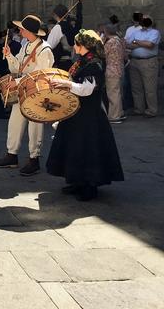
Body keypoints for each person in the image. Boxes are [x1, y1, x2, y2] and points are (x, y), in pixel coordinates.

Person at [46, 30, 124, 201]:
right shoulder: (82, 61)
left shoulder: (94, 64)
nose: (74, 47)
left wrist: (65, 84)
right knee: (75, 148)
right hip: (76, 113)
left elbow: (87, 90)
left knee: (88, 150)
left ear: (85, 46)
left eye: (76, 44)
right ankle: (77, 181)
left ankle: (90, 186)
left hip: (90, 116)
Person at [0, 15, 54, 176]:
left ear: (28, 31)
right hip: (22, 91)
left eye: (22, 28)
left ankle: (34, 160)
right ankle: (11, 155)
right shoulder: (26, 45)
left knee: (35, 127)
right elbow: (17, 67)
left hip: (36, 93)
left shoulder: (44, 49)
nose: (19, 30)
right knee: (14, 123)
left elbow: (40, 75)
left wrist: (17, 82)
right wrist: (9, 55)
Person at [126, 15, 160, 117]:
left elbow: (150, 45)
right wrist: (142, 43)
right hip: (134, 62)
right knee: (136, 88)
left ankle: (151, 110)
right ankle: (139, 109)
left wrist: (136, 42)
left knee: (150, 88)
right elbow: (128, 44)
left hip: (148, 62)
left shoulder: (155, 32)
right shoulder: (136, 32)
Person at [47, 0, 83, 71]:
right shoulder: (71, 26)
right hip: (70, 61)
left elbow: (49, 46)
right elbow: (79, 22)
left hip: (61, 63)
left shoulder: (58, 27)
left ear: (55, 15)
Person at [103, 24, 126, 123]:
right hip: (120, 68)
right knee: (118, 92)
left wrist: (102, 41)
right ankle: (120, 112)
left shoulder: (110, 42)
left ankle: (114, 116)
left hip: (112, 70)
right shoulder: (119, 40)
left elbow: (102, 54)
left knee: (113, 94)